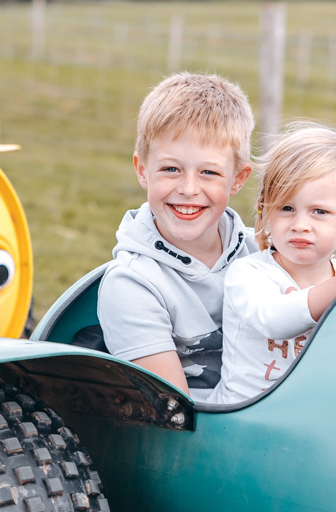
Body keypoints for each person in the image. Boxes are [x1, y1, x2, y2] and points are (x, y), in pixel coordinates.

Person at [97, 72, 256, 401]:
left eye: (209, 172)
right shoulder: (132, 285)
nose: (188, 189)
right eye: (171, 169)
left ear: (238, 179)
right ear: (142, 170)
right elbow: (175, 414)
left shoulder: (262, 251)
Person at [211, 123, 336, 404]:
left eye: (319, 212)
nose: (301, 225)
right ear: (265, 208)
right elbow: (273, 319)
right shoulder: (248, 274)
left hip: (313, 413)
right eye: (287, 208)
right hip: (243, 416)